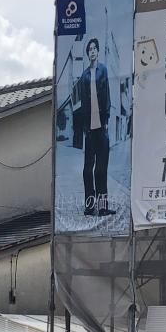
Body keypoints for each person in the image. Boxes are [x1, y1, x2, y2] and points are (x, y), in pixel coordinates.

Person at [70, 37, 113, 215]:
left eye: (95, 48)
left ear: (98, 51)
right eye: (90, 49)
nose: (92, 51)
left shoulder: (103, 70)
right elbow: (82, 104)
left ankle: (102, 207)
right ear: (87, 53)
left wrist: (107, 119)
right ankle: (89, 206)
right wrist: (84, 127)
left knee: (101, 169)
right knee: (88, 169)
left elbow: (108, 95)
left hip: (101, 127)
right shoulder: (85, 75)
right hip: (90, 128)